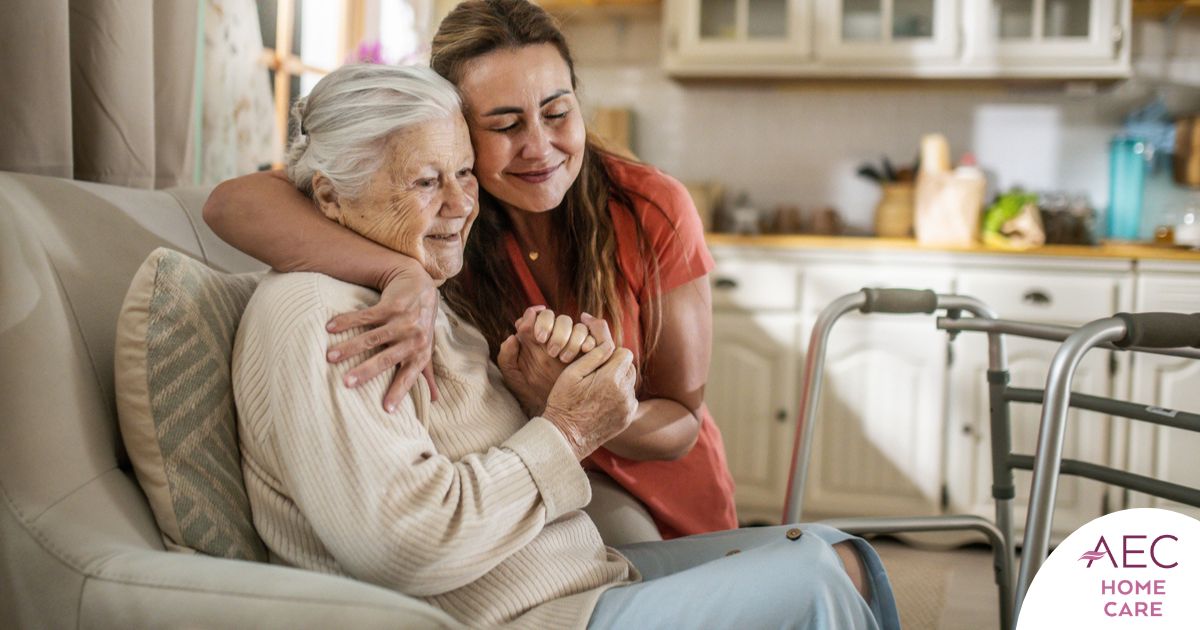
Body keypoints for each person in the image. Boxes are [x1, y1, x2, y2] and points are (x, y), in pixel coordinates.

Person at [233, 62, 899, 629]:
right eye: (426, 181)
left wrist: (540, 388)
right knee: (817, 575)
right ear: (329, 195)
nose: (462, 204)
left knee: (839, 551)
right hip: (530, 617)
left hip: (577, 580)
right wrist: (570, 427)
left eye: (464, 174)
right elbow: (407, 543)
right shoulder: (322, 317)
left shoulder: (411, 290)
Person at [205, 0, 734, 543]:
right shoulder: (446, 220)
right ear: (456, 127)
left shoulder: (650, 207)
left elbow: (682, 424)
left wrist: (585, 408)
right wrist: (399, 273)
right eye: (504, 124)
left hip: (667, 499)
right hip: (535, 492)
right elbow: (231, 204)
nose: (539, 147)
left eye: (557, 113)